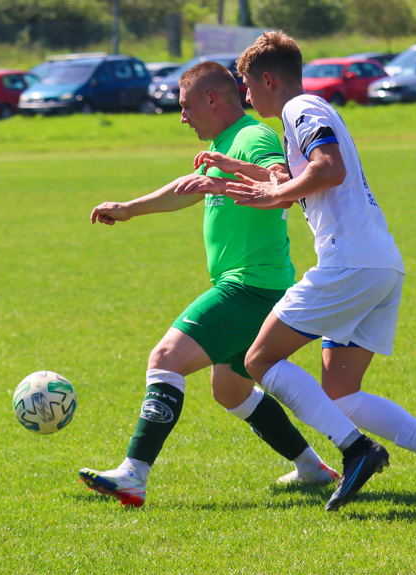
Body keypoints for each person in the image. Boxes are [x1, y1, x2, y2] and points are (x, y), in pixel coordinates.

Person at [189, 30, 416, 510]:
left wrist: (272, 196)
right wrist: (243, 171)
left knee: (259, 360)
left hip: (348, 262)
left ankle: (356, 452)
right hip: (380, 264)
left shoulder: (300, 110)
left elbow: (328, 169)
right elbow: (303, 177)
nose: (244, 96)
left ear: (269, 79)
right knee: (342, 394)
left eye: (247, 86)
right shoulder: (306, 116)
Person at [79, 61, 340, 508]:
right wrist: (129, 208)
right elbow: (188, 188)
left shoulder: (252, 137)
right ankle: (312, 468)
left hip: (249, 287)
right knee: (230, 390)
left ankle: (133, 474)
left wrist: (225, 179)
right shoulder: (224, 143)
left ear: (213, 99)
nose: (182, 117)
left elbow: (283, 182)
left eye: (186, 107)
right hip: (256, 285)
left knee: (165, 357)